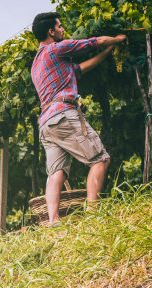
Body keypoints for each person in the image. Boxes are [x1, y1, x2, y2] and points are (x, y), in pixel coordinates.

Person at [30, 12, 126, 225]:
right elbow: (95, 42)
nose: (63, 29)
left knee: (56, 173)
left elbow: (81, 68)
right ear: (50, 31)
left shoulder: (37, 64)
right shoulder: (56, 49)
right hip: (63, 115)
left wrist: (107, 53)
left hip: (46, 124)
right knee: (100, 159)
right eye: (60, 26)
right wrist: (118, 39)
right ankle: (93, 216)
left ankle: (53, 222)